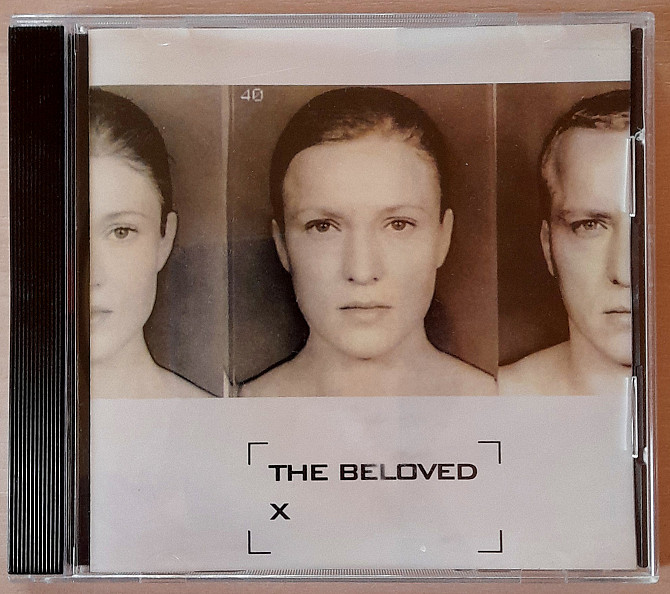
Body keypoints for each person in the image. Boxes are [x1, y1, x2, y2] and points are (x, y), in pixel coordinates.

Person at [240, 87, 496, 397]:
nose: (362, 271)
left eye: (398, 225)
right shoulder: (238, 408)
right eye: (323, 227)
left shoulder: (495, 401)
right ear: (282, 246)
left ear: (443, 238)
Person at [499, 90, 631, 396]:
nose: (623, 272)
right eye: (589, 225)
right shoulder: (493, 399)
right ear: (548, 247)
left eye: (656, 227)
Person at [89, 88, 215, 398]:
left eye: (121, 231)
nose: (90, 275)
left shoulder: (214, 417)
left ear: (164, 239)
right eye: (65, 236)